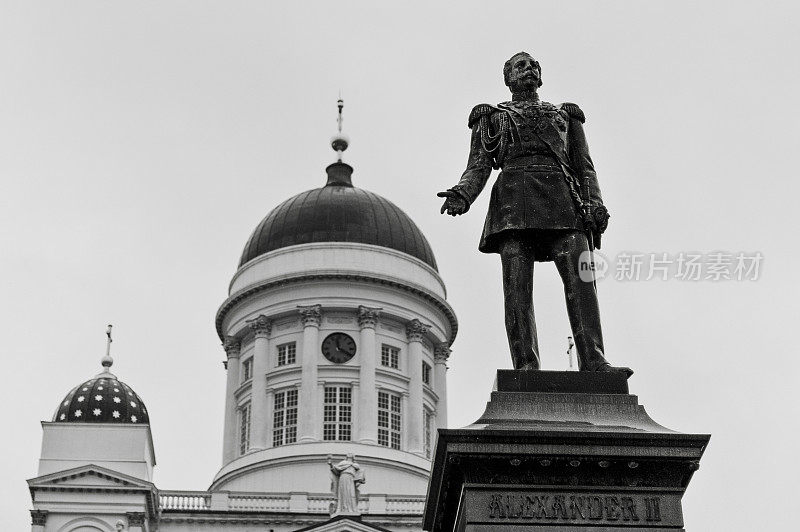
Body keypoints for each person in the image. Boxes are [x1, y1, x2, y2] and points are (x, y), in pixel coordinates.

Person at [438, 51, 631, 376]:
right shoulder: (492, 117)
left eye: (534, 65)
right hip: (514, 203)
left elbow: (584, 166)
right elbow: (479, 165)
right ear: (508, 78)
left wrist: (595, 203)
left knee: (582, 282)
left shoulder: (566, 116)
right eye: (520, 65)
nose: (529, 69)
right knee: (517, 289)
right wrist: (463, 193)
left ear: (540, 76)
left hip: (563, 200)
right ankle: (526, 367)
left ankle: (595, 361)